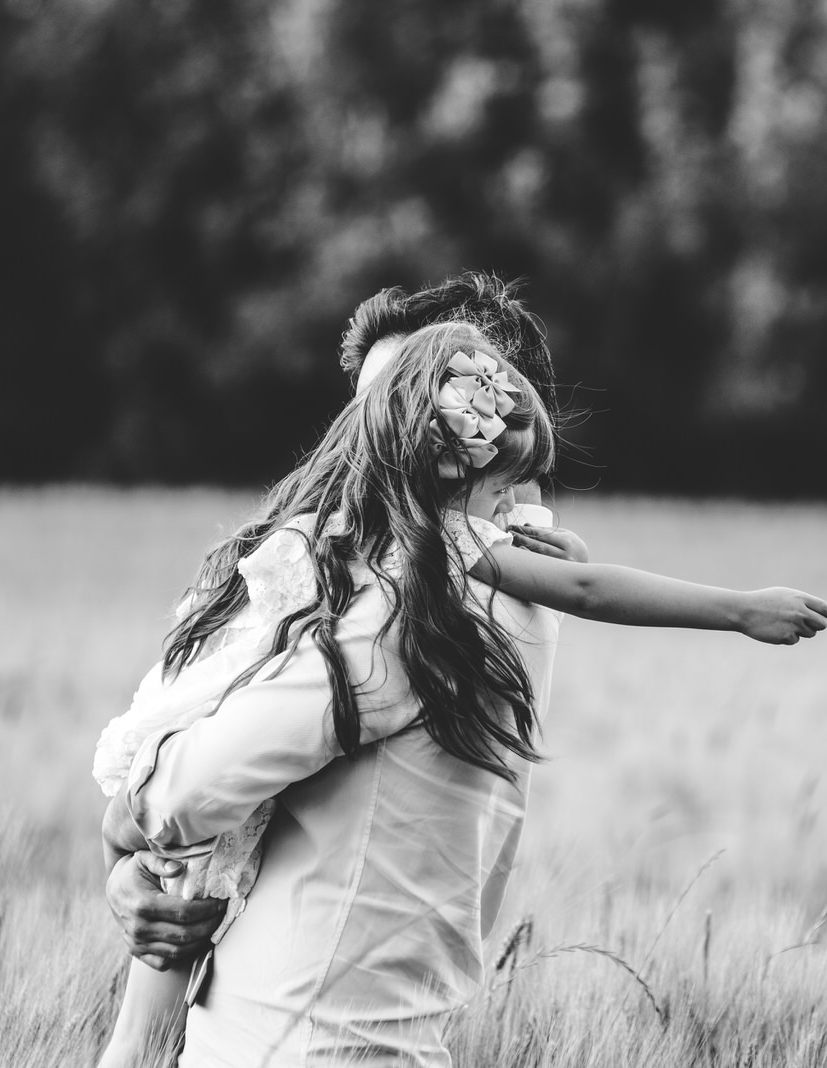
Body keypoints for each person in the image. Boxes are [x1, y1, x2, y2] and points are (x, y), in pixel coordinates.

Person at [97, 321, 827, 1067]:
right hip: (356, 1031)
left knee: (169, 913)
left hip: (303, 1035)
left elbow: (192, 789)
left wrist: (127, 830)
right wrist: (740, 608)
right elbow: (583, 586)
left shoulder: (406, 585)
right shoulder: (451, 571)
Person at [102, 275, 569, 982]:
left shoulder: (430, 609)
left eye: (416, 405)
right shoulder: (318, 567)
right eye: (367, 414)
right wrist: (128, 875)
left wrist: (127, 832)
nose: (374, 445)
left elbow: (179, 793)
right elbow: (187, 748)